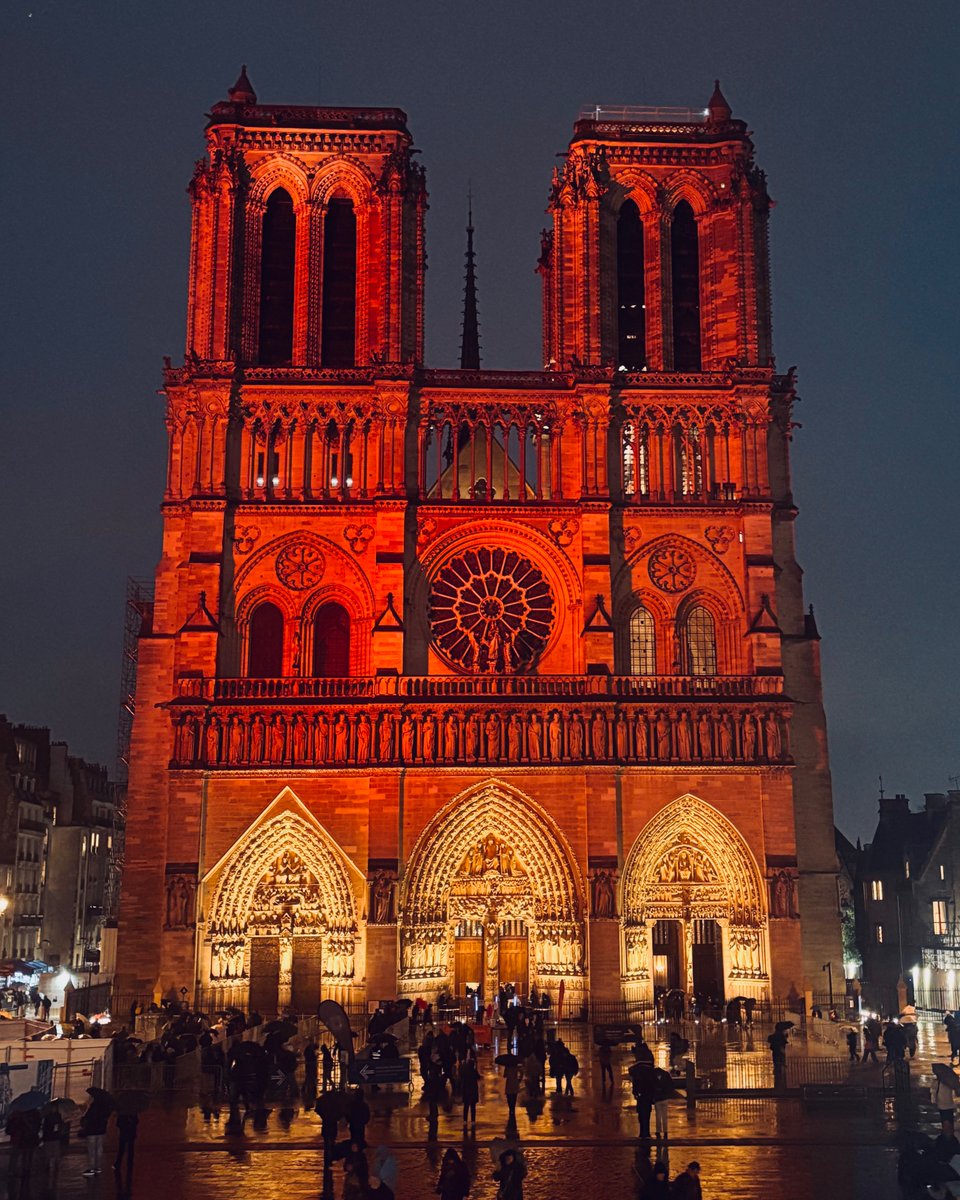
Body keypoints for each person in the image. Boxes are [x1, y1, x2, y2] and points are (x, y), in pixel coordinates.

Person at [80, 1087, 113, 1176]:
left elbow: (90, 1118)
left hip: (92, 1129)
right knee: (99, 1148)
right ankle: (98, 1166)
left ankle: (92, 1168)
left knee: (92, 1149)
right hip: (101, 1129)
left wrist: (85, 1118)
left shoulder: (95, 1106)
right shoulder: (105, 1105)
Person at [114, 1110, 139, 1176]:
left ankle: (118, 1163)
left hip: (124, 1132)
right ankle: (130, 1163)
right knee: (130, 1148)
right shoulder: (133, 1110)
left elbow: (119, 1123)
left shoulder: (122, 1111)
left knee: (121, 1148)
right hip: (131, 1132)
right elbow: (136, 1121)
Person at [652, 1066, 674, 1139]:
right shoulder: (666, 1075)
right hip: (664, 1098)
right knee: (664, 1116)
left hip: (657, 1099)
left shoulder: (653, 1075)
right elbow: (671, 1085)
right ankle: (665, 1131)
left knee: (658, 1116)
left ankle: (658, 1131)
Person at [461, 1051, 480, 1127]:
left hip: (466, 1091)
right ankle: (473, 1120)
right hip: (473, 1091)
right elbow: (478, 1077)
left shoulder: (465, 1072)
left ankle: (465, 1120)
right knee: (473, 1107)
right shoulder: (474, 1072)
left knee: (466, 1107)